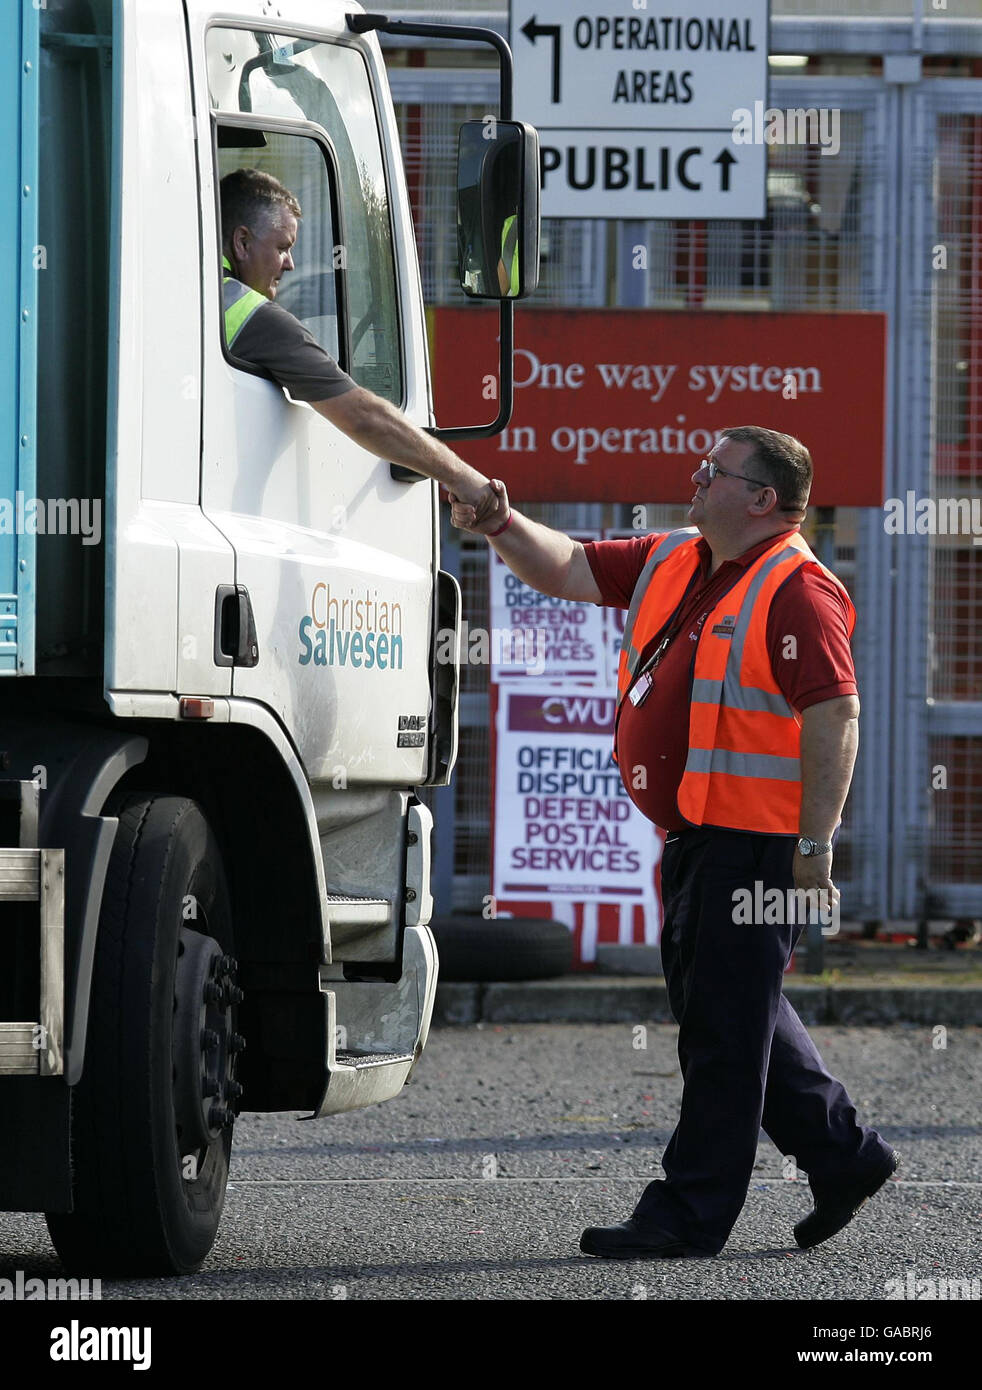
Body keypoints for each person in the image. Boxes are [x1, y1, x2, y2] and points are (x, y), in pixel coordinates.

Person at [450, 427, 898, 1259]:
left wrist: (815, 845)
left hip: (760, 848)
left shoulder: (798, 589)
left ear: (764, 500)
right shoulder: (678, 557)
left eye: (715, 472)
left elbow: (837, 716)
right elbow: (569, 566)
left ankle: (686, 1218)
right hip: (699, 838)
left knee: (722, 1037)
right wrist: (503, 523)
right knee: (730, 1012)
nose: (696, 478)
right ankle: (846, 1155)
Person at [219, 167, 501, 524]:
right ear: (242, 242)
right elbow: (362, 416)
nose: (289, 264)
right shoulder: (252, 316)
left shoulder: (180, 282)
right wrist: (465, 479)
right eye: (282, 248)